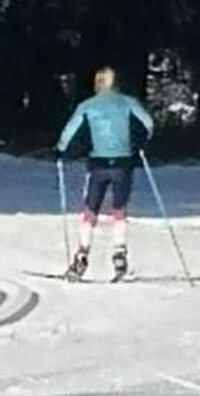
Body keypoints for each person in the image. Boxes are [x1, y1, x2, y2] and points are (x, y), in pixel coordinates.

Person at [55, 67, 154, 279]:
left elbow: (70, 131)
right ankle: (119, 252)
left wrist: (61, 150)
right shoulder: (127, 103)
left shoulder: (87, 106)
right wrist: (140, 142)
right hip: (123, 162)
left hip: (98, 163)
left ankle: (82, 253)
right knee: (119, 209)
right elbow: (147, 123)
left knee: (90, 209)